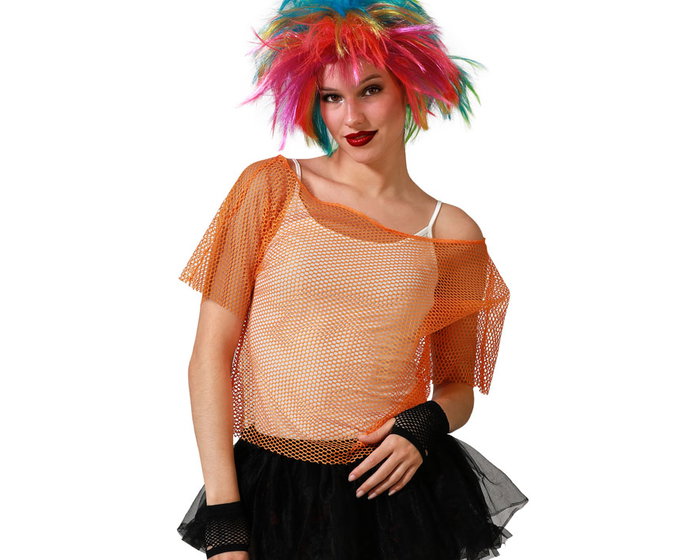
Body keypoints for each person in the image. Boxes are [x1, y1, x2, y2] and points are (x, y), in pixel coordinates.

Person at [176, 1, 528, 559]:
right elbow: (209, 355)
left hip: (396, 494)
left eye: (371, 90)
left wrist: (424, 425)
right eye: (331, 97)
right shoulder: (271, 188)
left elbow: (458, 387)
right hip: (274, 490)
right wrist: (224, 519)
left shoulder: (452, 231)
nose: (351, 118)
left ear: (410, 87)